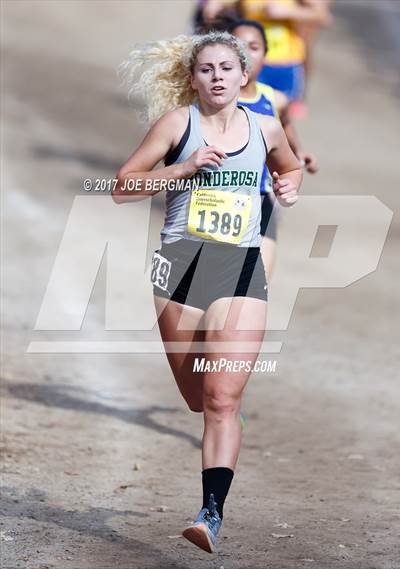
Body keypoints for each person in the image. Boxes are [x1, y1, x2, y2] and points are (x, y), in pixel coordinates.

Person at [113, 31, 302, 553]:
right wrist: (182, 168)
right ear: (193, 79)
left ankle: (209, 514)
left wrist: (289, 186)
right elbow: (122, 186)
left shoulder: (266, 127)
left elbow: (287, 167)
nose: (217, 77)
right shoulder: (178, 125)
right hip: (179, 266)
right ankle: (220, 399)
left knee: (222, 397)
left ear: (245, 77)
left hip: (239, 264)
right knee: (197, 396)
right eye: (206, 69)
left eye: (226, 68)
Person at [230, 19, 318, 280]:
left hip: (259, 200)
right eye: (238, 47)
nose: (246, 53)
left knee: (258, 285)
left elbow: (286, 129)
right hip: (217, 199)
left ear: (266, 55)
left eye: (254, 47)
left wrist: (299, 153)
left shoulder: (274, 100)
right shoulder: (215, 98)